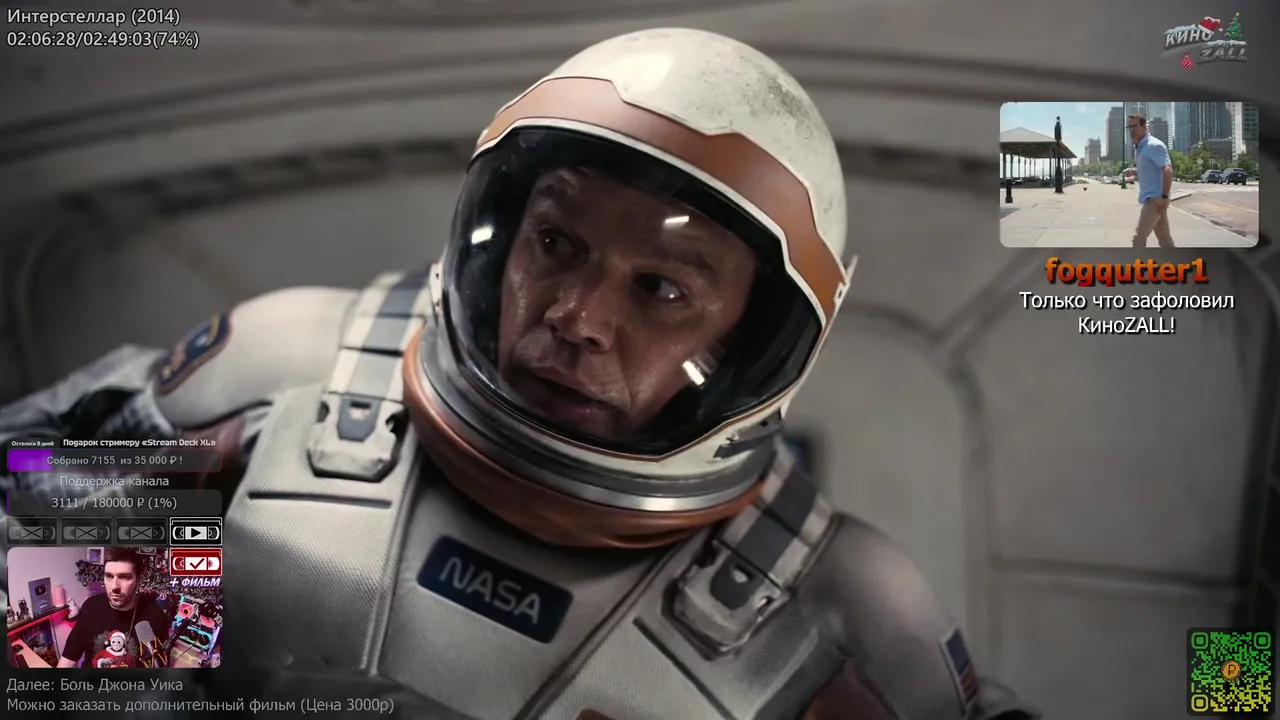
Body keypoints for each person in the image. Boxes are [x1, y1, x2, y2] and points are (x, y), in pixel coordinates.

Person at [2, 29, 1039, 719]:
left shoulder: (838, 618)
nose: (577, 317)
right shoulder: (285, 380)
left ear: (757, 337)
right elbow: (29, 547)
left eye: (660, 289)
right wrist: (190, 686)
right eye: (556, 244)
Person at [56, 548, 169, 668]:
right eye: (109, 576)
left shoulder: (155, 616)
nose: (114, 586)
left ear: (138, 580)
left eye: (124, 577)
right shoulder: (91, 607)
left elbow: (159, 667)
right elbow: (68, 658)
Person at [1129, 113, 1175, 248]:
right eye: (1129, 127)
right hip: (1153, 198)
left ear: (1144, 127)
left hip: (1155, 200)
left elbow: (1167, 170)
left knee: (1138, 238)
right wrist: (1134, 171)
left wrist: (1164, 197)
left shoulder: (1154, 145)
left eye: (1135, 126)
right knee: (1165, 240)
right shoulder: (1141, 147)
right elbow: (1150, 170)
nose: (1131, 130)